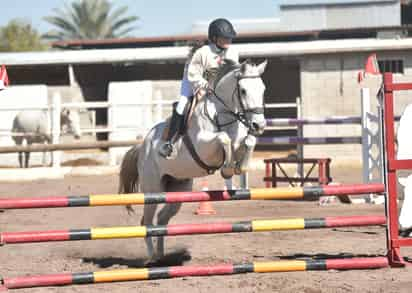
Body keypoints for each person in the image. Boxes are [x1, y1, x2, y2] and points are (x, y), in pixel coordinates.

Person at [159, 18, 239, 158]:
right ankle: (169, 142)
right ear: (214, 38)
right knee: (183, 104)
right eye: (225, 38)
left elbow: (232, 72)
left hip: (212, 78)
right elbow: (193, 74)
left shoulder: (232, 52)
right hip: (193, 79)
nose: (229, 40)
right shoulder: (202, 53)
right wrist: (204, 85)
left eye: (230, 37)